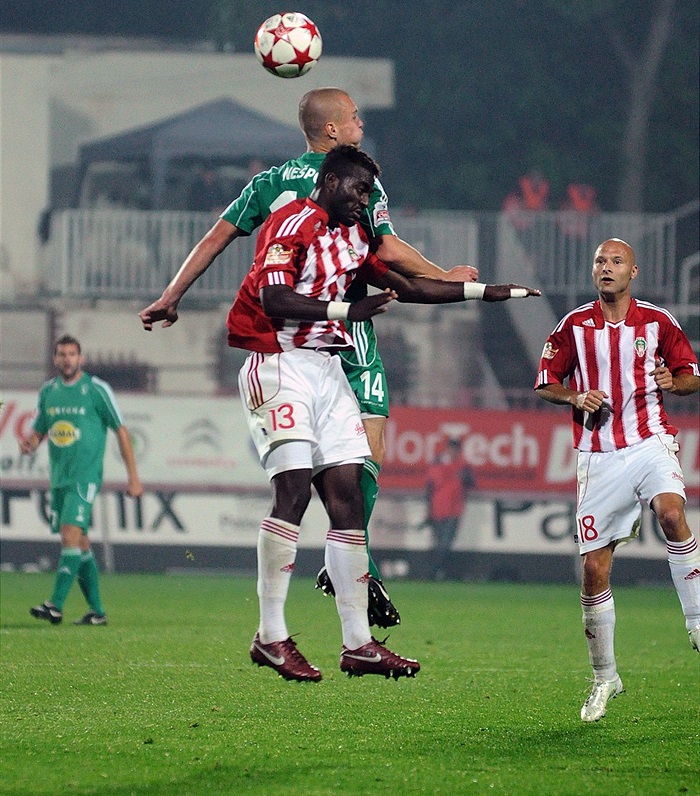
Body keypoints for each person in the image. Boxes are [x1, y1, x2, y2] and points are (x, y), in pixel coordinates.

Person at [138, 87, 478, 629]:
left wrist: (172, 294)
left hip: (287, 334)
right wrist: (442, 275)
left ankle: (335, 580)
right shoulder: (358, 181)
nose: (361, 122)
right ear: (332, 131)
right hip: (341, 327)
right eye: (354, 116)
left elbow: (216, 237)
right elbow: (386, 250)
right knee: (367, 450)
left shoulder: (268, 184)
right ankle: (343, 570)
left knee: (312, 470)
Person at [210, 144, 538, 681]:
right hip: (276, 362)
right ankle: (270, 635)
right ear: (332, 181)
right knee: (292, 490)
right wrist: (348, 309)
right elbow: (273, 299)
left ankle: (358, 644)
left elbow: (405, 285)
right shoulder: (290, 222)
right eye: (360, 190)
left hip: (325, 371)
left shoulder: (353, 235)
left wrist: (482, 292)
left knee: (347, 500)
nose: (366, 200)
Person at [535, 238, 700, 722]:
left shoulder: (658, 322)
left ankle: (695, 619)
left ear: (633, 272)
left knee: (671, 512)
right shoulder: (572, 326)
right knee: (594, 571)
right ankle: (605, 677)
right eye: (600, 262)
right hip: (599, 456)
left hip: (650, 443)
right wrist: (575, 398)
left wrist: (676, 382)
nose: (606, 268)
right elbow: (546, 383)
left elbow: (692, 374)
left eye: (616, 262)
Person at [19, 335, 143, 626]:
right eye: (62, 354)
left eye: (72, 354)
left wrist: (133, 477)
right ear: (55, 359)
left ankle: (55, 604)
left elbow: (121, 430)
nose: (67, 359)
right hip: (60, 478)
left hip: (84, 477)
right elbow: (40, 430)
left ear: (81, 358)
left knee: (69, 536)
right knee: (81, 543)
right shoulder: (48, 391)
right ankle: (97, 613)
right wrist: (31, 443)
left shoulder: (96, 389)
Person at [425, 437, 476, 580]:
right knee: (440, 542)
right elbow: (429, 487)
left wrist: (464, 477)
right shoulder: (437, 464)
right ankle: (436, 571)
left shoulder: (463, 466)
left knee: (446, 542)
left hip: (454, 509)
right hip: (438, 509)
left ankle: (435, 571)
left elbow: (471, 483)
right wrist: (428, 509)